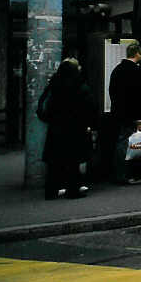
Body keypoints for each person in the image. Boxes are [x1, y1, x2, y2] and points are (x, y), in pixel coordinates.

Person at [42, 58, 94, 200]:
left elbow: (46, 105)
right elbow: (88, 107)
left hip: (55, 129)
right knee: (72, 162)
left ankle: (50, 192)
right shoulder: (79, 86)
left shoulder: (55, 85)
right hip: (74, 129)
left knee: (54, 164)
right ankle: (73, 190)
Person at [109, 40, 141, 184]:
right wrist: (138, 118)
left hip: (117, 111)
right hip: (130, 114)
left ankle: (119, 173)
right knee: (129, 144)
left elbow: (113, 91)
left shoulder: (117, 69)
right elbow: (136, 96)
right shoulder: (135, 71)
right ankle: (126, 175)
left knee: (120, 142)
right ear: (137, 54)